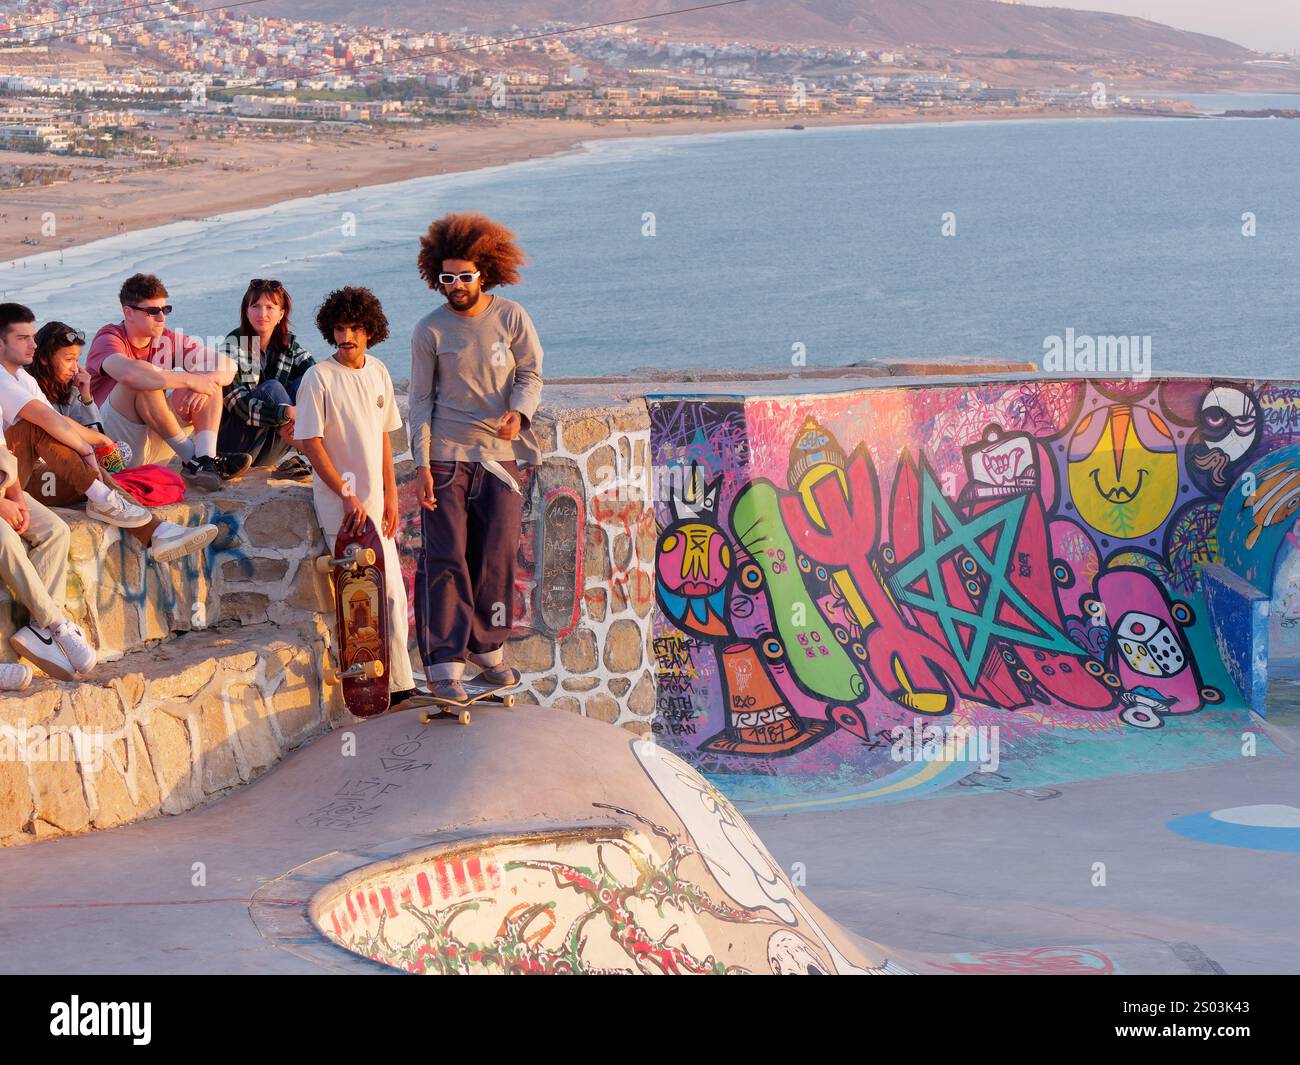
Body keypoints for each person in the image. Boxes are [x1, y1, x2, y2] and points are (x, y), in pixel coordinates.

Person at [408, 213, 543, 705]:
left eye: (465, 276)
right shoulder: (430, 330)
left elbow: (531, 374)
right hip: (445, 458)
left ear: (483, 272)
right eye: (447, 278)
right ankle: (445, 662)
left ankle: (487, 649)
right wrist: (421, 464)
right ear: (436, 278)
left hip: (501, 458)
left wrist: (518, 414)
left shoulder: (510, 317)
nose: (457, 285)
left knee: (496, 557)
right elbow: (420, 401)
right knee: (445, 559)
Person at [293, 287, 415, 707]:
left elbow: (383, 437)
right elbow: (310, 442)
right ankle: (369, 692)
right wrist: (345, 494)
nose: (346, 336)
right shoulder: (318, 378)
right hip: (341, 509)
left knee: (394, 596)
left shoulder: (378, 371)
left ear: (370, 331)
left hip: (377, 505)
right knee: (359, 600)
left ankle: (400, 686)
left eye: (355, 328)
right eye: (340, 328)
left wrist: (392, 495)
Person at [22, 314, 218, 562]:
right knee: (96, 475)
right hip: (35, 479)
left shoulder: (68, 392)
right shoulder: (28, 387)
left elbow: (96, 435)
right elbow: (60, 425)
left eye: (77, 360)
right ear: (43, 358)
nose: (75, 368)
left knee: (100, 470)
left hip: (70, 470)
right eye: (68, 360)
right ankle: (156, 531)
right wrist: (101, 442)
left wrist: (86, 397)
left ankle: (155, 529)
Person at [85, 273, 253, 492]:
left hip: (155, 444)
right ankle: (191, 457)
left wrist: (205, 381)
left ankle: (206, 460)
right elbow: (130, 375)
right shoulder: (109, 338)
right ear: (129, 312)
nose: (162, 317)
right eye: (153, 311)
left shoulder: (166, 338)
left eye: (166, 309)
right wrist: (191, 380)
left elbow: (227, 365)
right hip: (114, 449)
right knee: (144, 379)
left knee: (208, 374)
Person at [0, 315, 97, 683]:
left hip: (11, 482)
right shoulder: (10, 383)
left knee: (55, 531)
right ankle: (55, 624)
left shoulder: (26, 383)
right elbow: (45, 425)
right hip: (32, 480)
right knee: (5, 537)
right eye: (23, 337)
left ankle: (39, 633)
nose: (33, 344)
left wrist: (15, 498)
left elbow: (1, 453)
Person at [218, 278, 314, 479]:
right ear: (246, 311)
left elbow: (319, 378)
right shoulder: (233, 345)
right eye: (255, 306)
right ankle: (313, 451)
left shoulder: (288, 346)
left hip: (270, 447)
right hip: (236, 448)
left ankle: (313, 446)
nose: (262, 314)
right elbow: (240, 406)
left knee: (307, 383)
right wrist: (287, 411)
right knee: (272, 388)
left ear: (281, 314)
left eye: (270, 307)